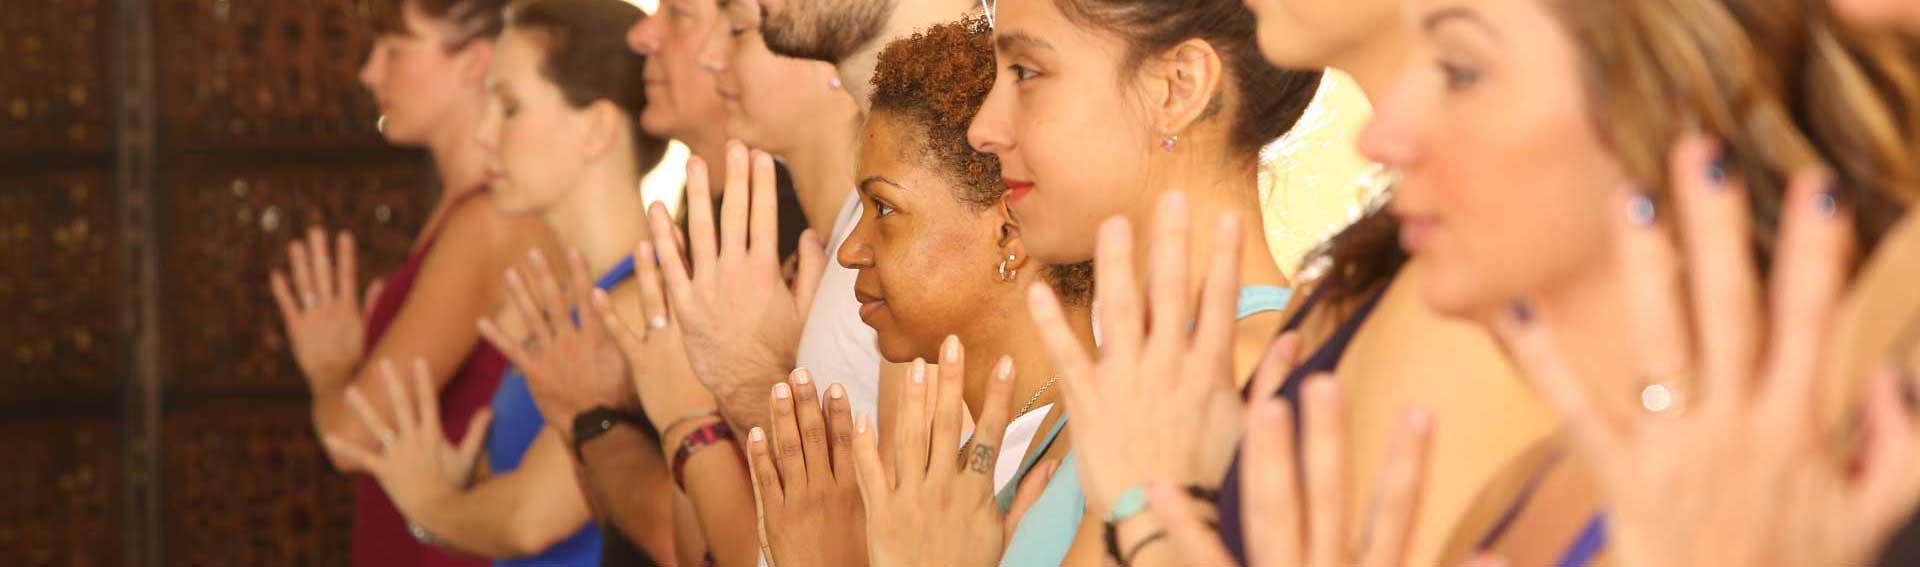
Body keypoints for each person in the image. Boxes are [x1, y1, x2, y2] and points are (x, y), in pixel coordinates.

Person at [962, 0, 1323, 565]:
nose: (982, 129)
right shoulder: (1125, 376)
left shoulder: (1244, 385)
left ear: (1177, 88)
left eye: (1027, 72)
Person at [321, 1, 670, 565]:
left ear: (597, 129)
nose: (485, 135)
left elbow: (528, 520)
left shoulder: (640, 306)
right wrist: (459, 485)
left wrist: (429, 502)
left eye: (508, 108)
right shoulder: (564, 303)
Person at [743, 17, 1096, 567]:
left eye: (883, 208)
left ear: (1009, 230)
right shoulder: (952, 471)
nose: (850, 250)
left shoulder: (1093, 461)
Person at [268, 0, 555, 565]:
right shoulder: (463, 210)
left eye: (395, 50)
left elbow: (352, 435)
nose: (369, 72)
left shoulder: (491, 220)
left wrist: (330, 370)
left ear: (474, 64)